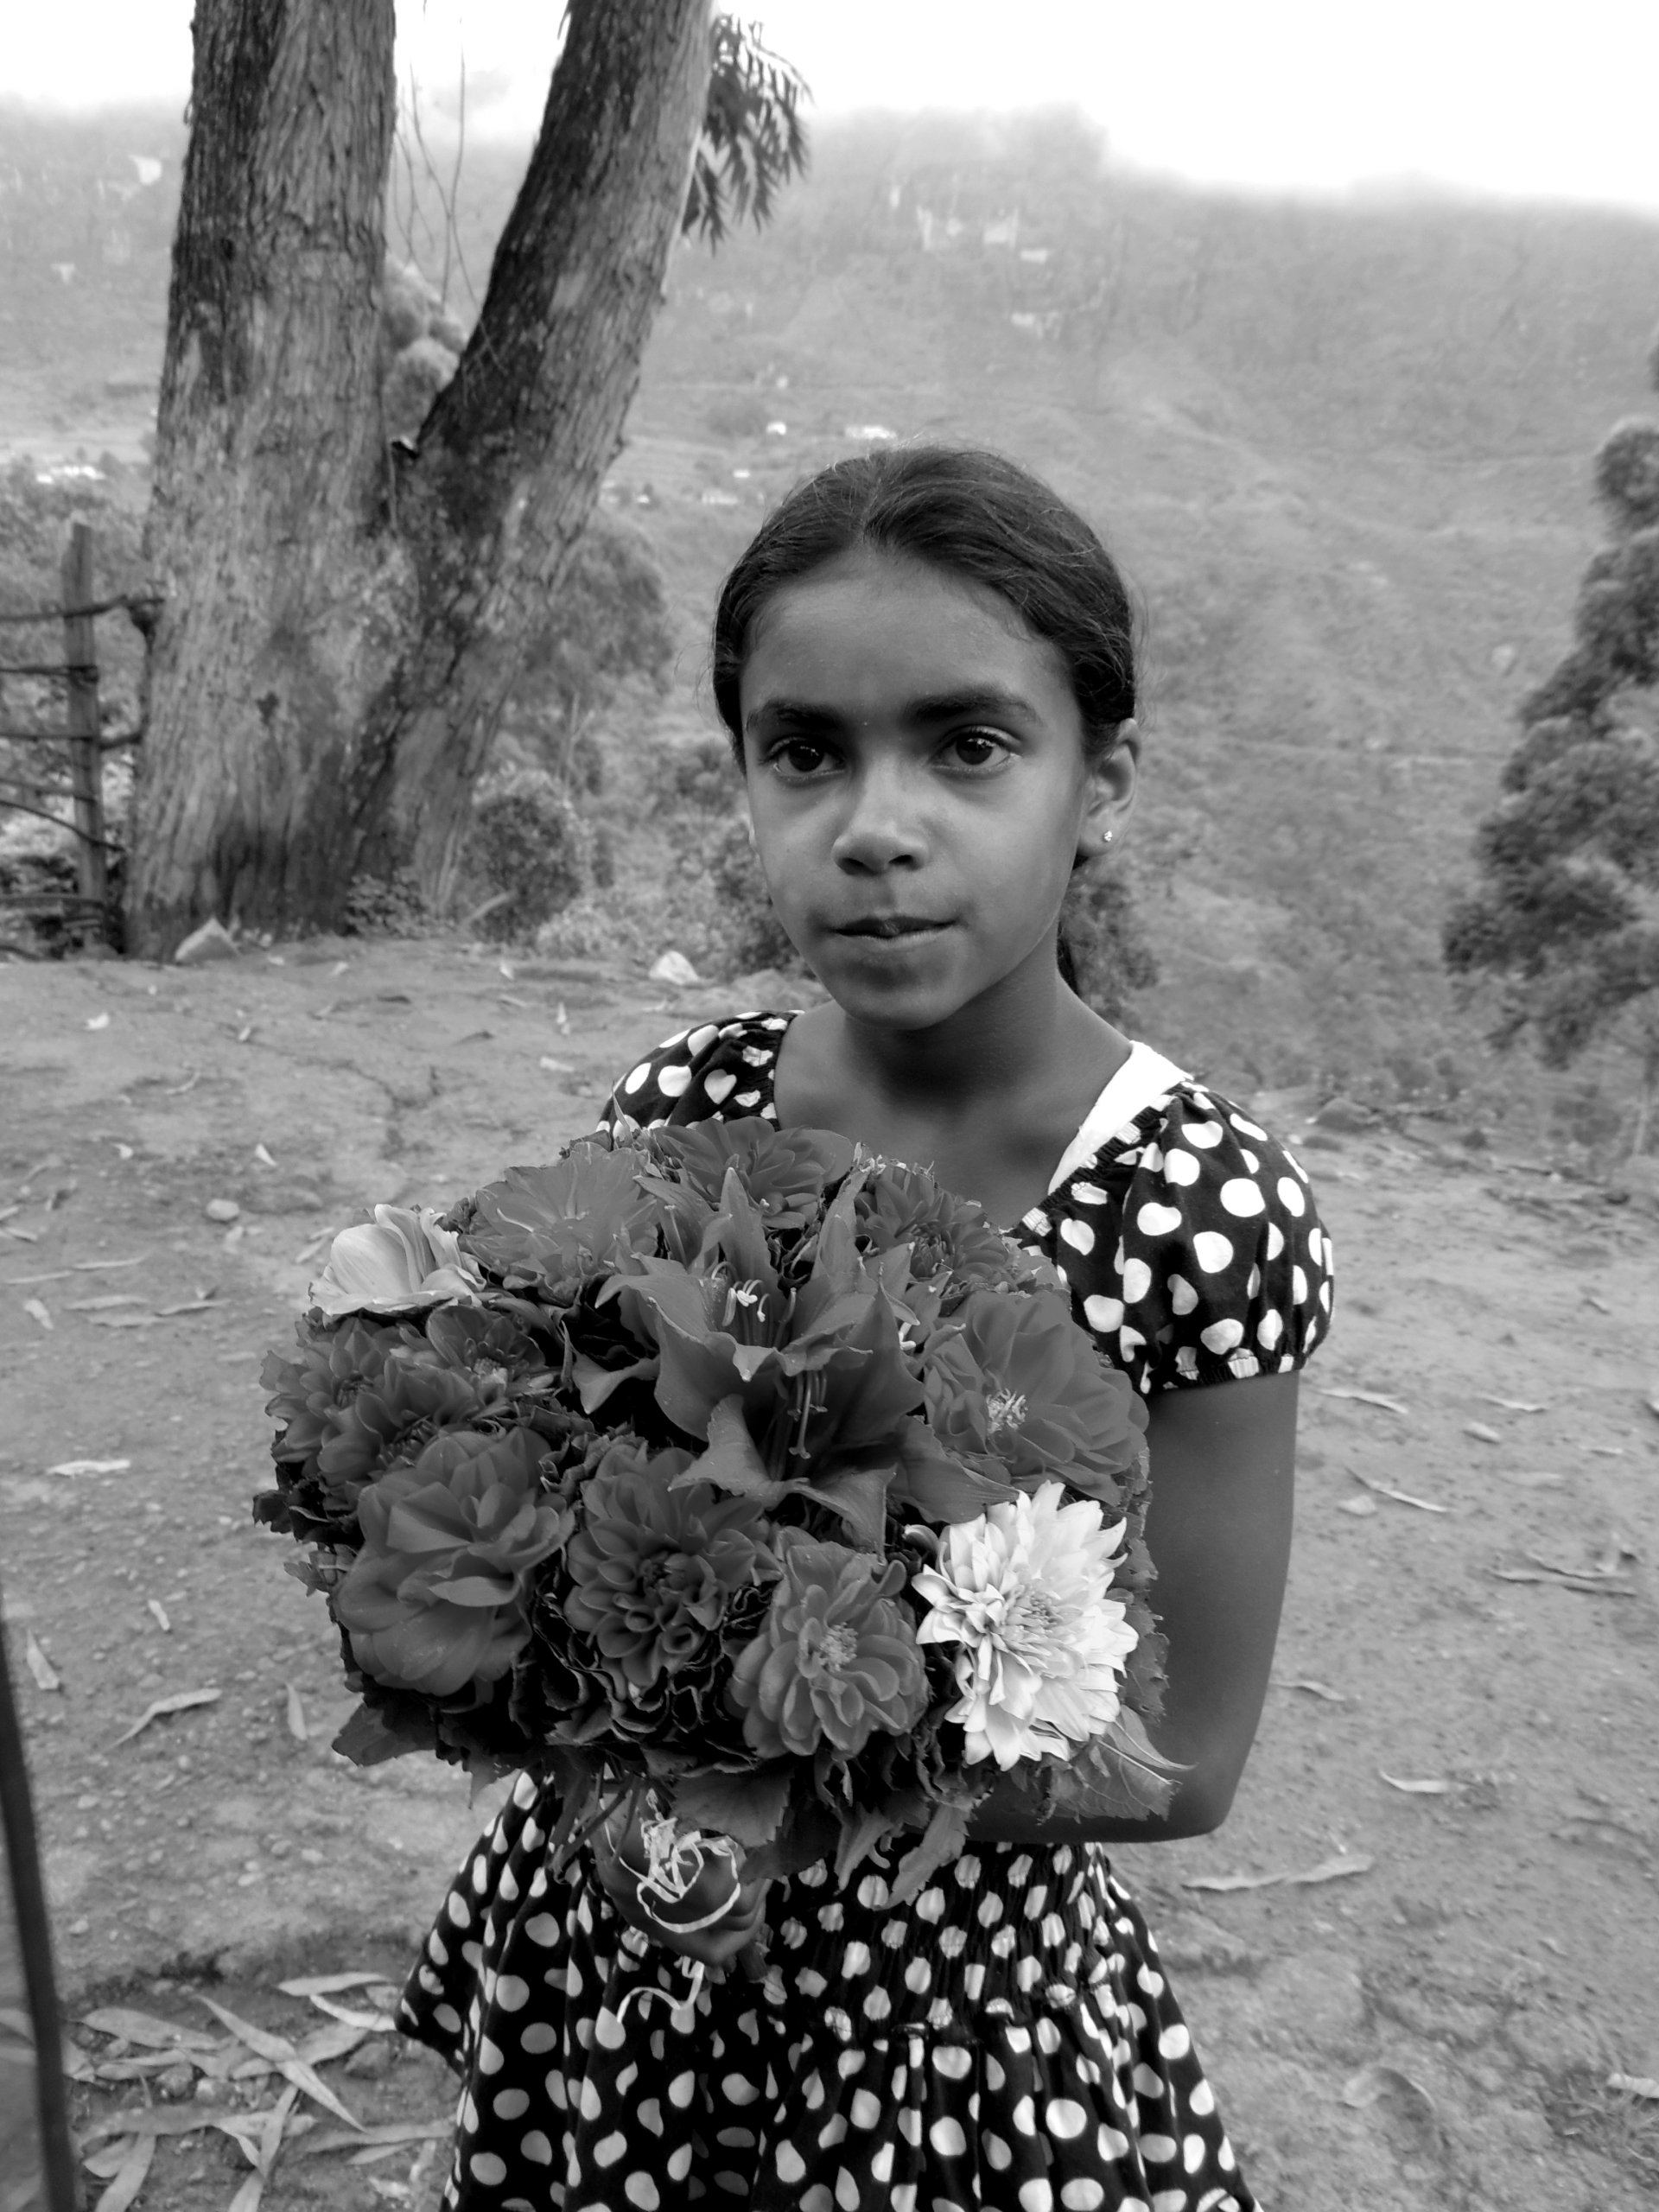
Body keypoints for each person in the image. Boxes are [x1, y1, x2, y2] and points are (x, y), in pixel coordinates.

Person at [398, 445, 1333, 2212]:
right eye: (805, 748)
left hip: (940, 2011)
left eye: (968, 745)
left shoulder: (1194, 1213)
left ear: (1100, 778)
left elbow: (1186, 1762)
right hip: (627, 1950)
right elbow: (586, 1473)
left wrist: (772, 1779)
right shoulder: (691, 1105)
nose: (875, 823)